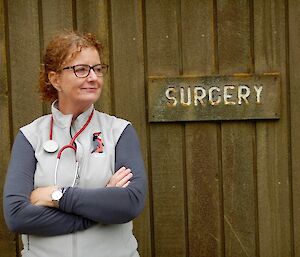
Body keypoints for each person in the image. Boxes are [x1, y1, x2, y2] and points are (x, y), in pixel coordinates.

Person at [3, 31, 147, 257]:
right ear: (55, 79)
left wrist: (56, 195)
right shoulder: (30, 137)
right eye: (81, 69)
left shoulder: (119, 132)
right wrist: (100, 209)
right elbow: (17, 216)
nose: (93, 77)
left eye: (98, 69)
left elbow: (130, 203)